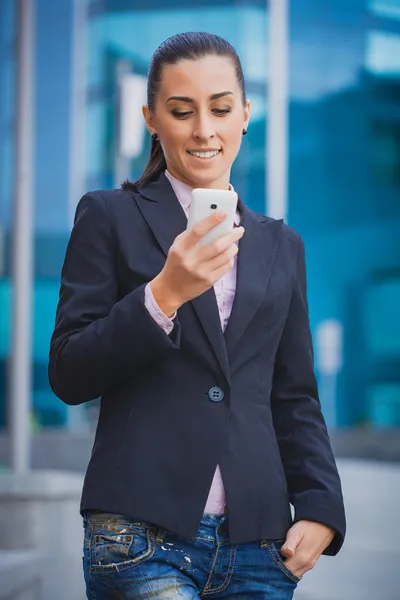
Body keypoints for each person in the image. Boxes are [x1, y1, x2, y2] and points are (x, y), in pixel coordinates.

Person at [49, 32, 346, 600]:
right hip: (140, 535)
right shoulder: (109, 216)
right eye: (181, 112)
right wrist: (162, 295)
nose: (204, 130)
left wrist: (320, 507)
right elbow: (68, 371)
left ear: (246, 114)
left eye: (221, 108)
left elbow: (294, 395)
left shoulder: (283, 247)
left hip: (260, 546)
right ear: (151, 119)